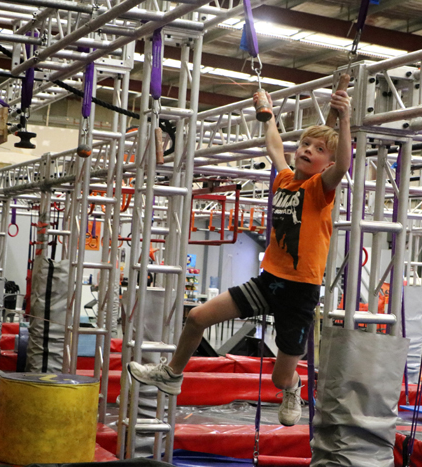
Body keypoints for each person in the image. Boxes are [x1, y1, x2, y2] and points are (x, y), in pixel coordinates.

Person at [127, 89, 352, 427]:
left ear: (328, 165)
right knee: (197, 317)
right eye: (305, 144)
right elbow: (274, 147)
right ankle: (172, 374)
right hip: (268, 281)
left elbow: (344, 163)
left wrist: (344, 119)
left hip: (300, 292)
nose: (308, 150)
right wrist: (268, 114)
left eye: (319, 150)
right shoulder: (285, 180)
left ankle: (292, 387)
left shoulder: (321, 190)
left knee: (279, 378)